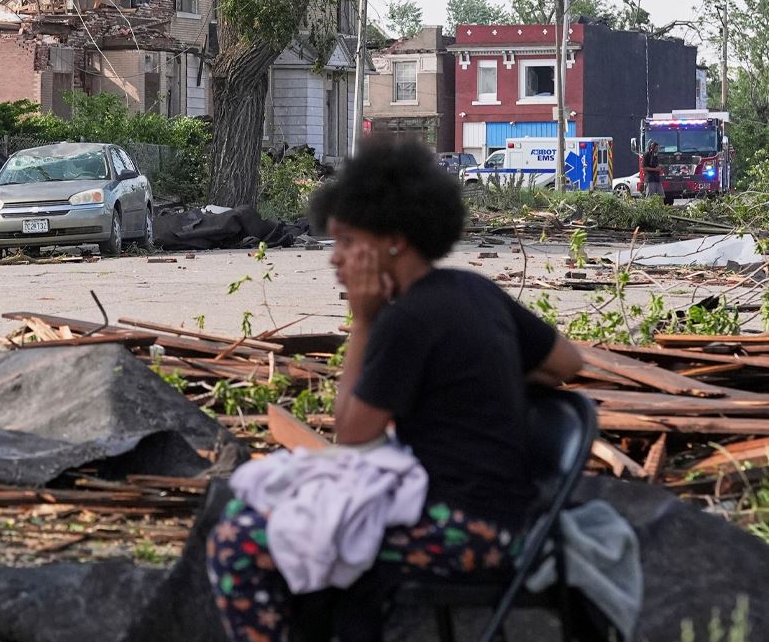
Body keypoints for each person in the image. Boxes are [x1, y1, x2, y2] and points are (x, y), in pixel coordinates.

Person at [206, 138, 583, 642]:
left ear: (393, 241)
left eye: (346, 241)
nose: (335, 259)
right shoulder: (472, 289)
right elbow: (566, 363)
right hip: (509, 519)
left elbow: (353, 435)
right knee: (288, 528)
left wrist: (363, 321)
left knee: (239, 540)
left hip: (464, 531)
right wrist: (472, 384)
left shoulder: (406, 319)